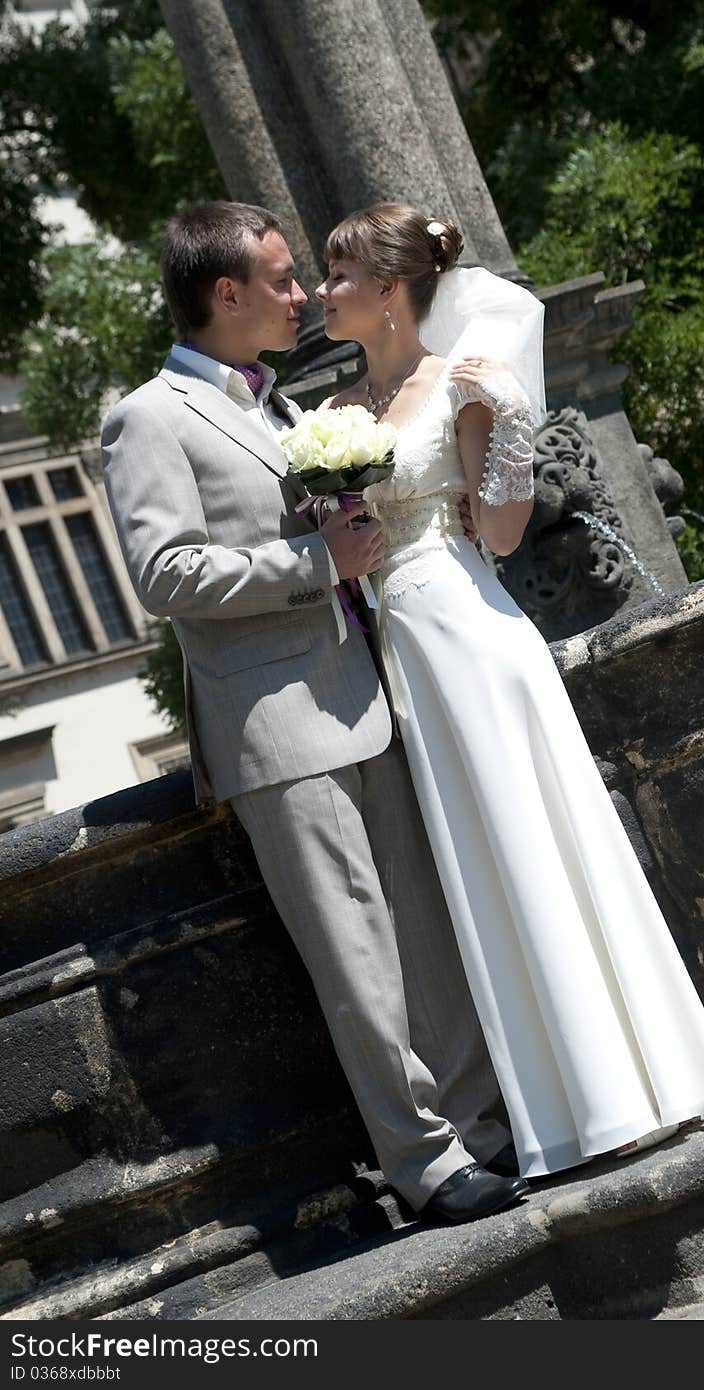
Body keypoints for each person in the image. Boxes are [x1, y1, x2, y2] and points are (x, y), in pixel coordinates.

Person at [100, 200, 529, 1224]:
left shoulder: (280, 408)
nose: (300, 297)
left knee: (423, 930)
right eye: (284, 280)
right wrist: (312, 562)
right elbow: (163, 573)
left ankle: (484, 1129)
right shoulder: (148, 415)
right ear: (226, 294)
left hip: (369, 692)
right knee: (356, 955)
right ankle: (424, 1162)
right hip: (275, 728)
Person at [315, 202, 704, 1180]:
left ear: (389, 291)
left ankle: (632, 1094)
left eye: (339, 276)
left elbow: (501, 536)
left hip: (470, 639)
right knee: (484, 868)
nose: (323, 292)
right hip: (402, 657)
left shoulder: (455, 382)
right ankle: (567, 1101)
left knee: (536, 843)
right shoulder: (341, 417)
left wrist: (508, 417)